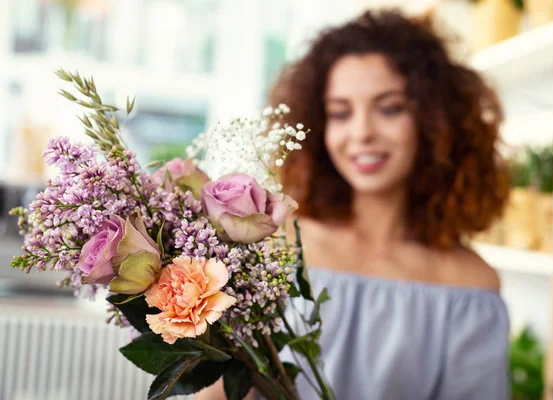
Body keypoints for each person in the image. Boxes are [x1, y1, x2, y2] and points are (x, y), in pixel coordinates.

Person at [197, 8, 511, 400]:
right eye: (341, 113)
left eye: (389, 108)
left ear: (434, 121)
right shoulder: (275, 247)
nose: (361, 132)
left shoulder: (471, 286)